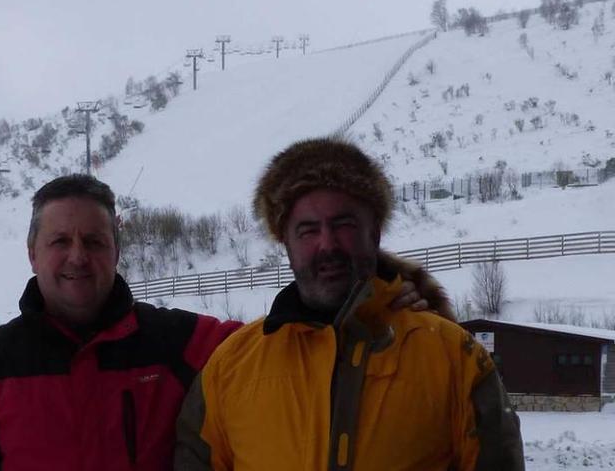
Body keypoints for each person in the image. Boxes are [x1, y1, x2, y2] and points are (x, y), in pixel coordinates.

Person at [0, 174, 450, 471]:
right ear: (33, 253)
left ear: (116, 251)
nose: (77, 256)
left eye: (95, 241)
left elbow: (291, 346)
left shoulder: (184, 342)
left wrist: (378, 307)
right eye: (60, 241)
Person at [175, 137, 524, 471]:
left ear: (374, 232)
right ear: (285, 242)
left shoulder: (454, 358)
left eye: (343, 224)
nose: (327, 244)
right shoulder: (229, 368)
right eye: (308, 230)